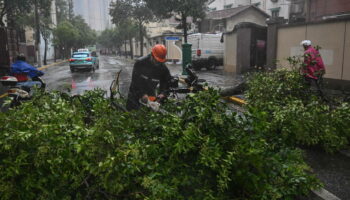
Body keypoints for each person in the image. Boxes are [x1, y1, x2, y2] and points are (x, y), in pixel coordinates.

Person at [126, 44, 172, 111]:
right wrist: (142, 94)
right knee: (132, 116)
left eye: (160, 62)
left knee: (148, 115)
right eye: (156, 61)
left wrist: (163, 93)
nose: (157, 63)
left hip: (151, 94)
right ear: (152, 55)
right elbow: (135, 82)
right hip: (135, 94)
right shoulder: (140, 63)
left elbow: (166, 83)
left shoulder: (163, 69)